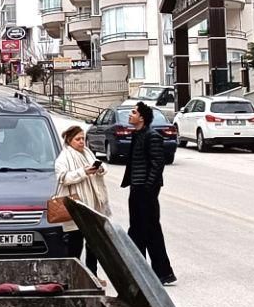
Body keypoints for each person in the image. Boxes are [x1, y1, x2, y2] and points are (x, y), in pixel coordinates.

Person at [121, 102, 177, 285]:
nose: (130, 115)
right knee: (136, 230)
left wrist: (148, 187)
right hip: (136, 188)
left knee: (151, 230)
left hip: (146, 190)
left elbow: (157, 163)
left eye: (133, 112)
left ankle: (163, 272)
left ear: (142, 118)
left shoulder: (152, 136)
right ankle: (139, 270)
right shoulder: (137, 135)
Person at [55, 124, 110, 273]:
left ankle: (92, 275)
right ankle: (73, 275)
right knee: (75, 243)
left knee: (93, 244)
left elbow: (103, 167)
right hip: (76, 206)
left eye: (83, 138)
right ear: (69, 140)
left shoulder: (88, 153)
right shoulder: (64, 157)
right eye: (77, 139)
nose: (81, 142)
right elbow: (63, 178)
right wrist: (83, 172)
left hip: (92, 205)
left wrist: (98, 168)